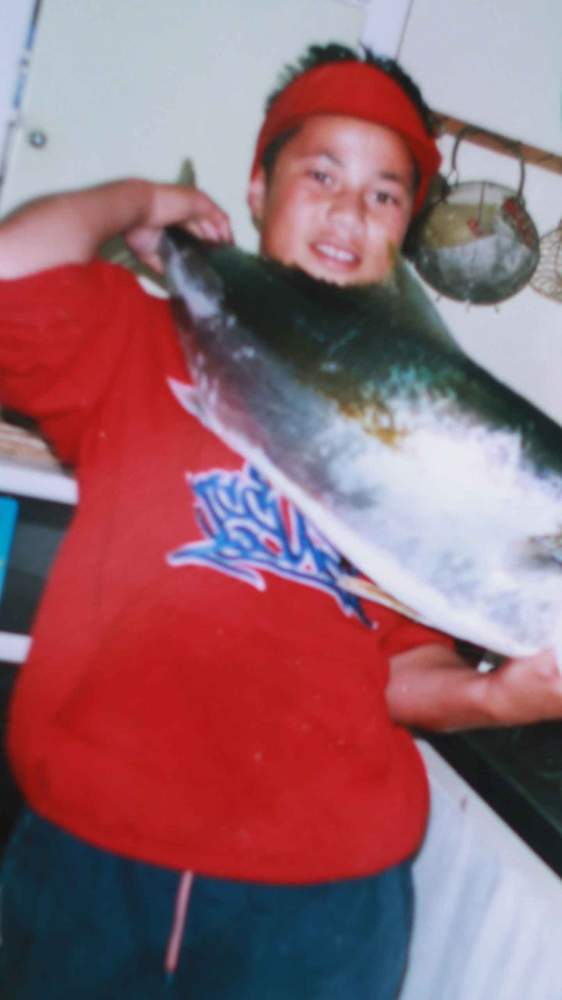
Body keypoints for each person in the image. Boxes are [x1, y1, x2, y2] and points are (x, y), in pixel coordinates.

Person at [0, 42, 561, 1000]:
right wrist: (142, 206)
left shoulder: (441, 429)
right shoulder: (141, 342)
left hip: (321, 893)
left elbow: (406, 670)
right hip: (88, 851)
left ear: (403, 237)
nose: (351, 207)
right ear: (257, 189)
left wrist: (497, 700)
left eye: (386, 194)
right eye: (322, 172)